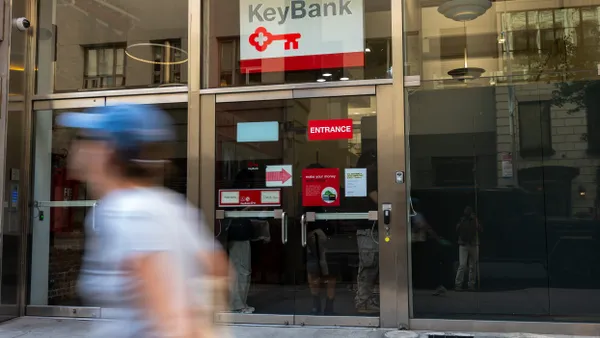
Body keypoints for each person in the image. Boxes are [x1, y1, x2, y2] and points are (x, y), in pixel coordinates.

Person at [60, 104, 230, 338]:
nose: (76, 147)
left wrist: (186, 320)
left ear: (107, 150)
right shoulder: (170, 205)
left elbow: (173, 322)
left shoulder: (126, 212)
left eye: (85, 138)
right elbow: (216, 265)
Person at [303, 163, 337, 315]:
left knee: (319, 272)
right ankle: (325, 305)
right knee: (323, 271)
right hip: (318, 236)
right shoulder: (312, 192)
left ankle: (319, 304)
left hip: (316, 235)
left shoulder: (312, 192)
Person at [354, 149, 380, 313]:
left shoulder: (362, 178)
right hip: (368, 229)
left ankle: (366, 300)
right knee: (369, 266)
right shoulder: (369, 178)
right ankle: (363, 302)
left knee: (370, 266)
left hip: (368, 229)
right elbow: (380, 200)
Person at [410, 197, 451, 296]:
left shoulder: (417, 216)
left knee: (422, 264)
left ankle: (437, 286)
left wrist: (437, 238)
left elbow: (425, 227)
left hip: (418, 243)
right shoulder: (412, 215)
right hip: (414, 243)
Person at [454, 205, 482, 291]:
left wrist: (475, 221)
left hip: (473, 244)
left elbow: (480, 229)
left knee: (473, 266)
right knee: (462, 265)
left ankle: (471, 284)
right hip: (463, 244)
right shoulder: (462, 220)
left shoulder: (475, 220)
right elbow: (457, 230)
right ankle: (458, 284)